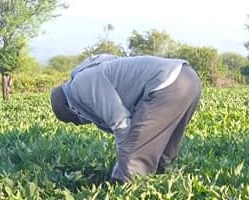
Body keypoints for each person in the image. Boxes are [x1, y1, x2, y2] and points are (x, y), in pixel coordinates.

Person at [50, 54, 201, 182]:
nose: (79, 123)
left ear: (69, 108)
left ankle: (126, 198)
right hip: (188, 78)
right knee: (163, 151)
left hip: (167, 84)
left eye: (73, 119)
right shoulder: (92, 67)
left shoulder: (81, 86)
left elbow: (121, 123)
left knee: (134, 160)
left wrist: (123, 163)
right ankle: (164, 183)